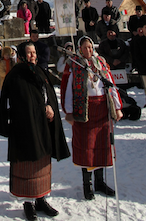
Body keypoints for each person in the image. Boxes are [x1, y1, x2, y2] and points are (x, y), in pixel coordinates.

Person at [0, 41, 70, 221]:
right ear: (21, 55)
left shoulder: (39, 71)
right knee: (27, 165)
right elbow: (19, 103)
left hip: (42, 125)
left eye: (34, 52)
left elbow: (46, 95)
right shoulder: (16, 75)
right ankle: (28, 203)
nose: (33, 56)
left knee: (42, 163)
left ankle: (41, 199)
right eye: (29, 53)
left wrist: (49, 106)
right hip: (25, 128)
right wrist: (42, 108)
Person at [60, 36, 123, 200]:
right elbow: (68, 89)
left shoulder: (100, 63)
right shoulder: (75, 64)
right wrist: (69, 111)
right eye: (85, 48)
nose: (88, 50)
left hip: (102, 109)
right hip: (84, 110)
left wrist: (117, 107)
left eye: (90, 47)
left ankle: (100, 181)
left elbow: (110, 84)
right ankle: (87, 184)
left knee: (101, 145)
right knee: (86, 148)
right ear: (80, 49)